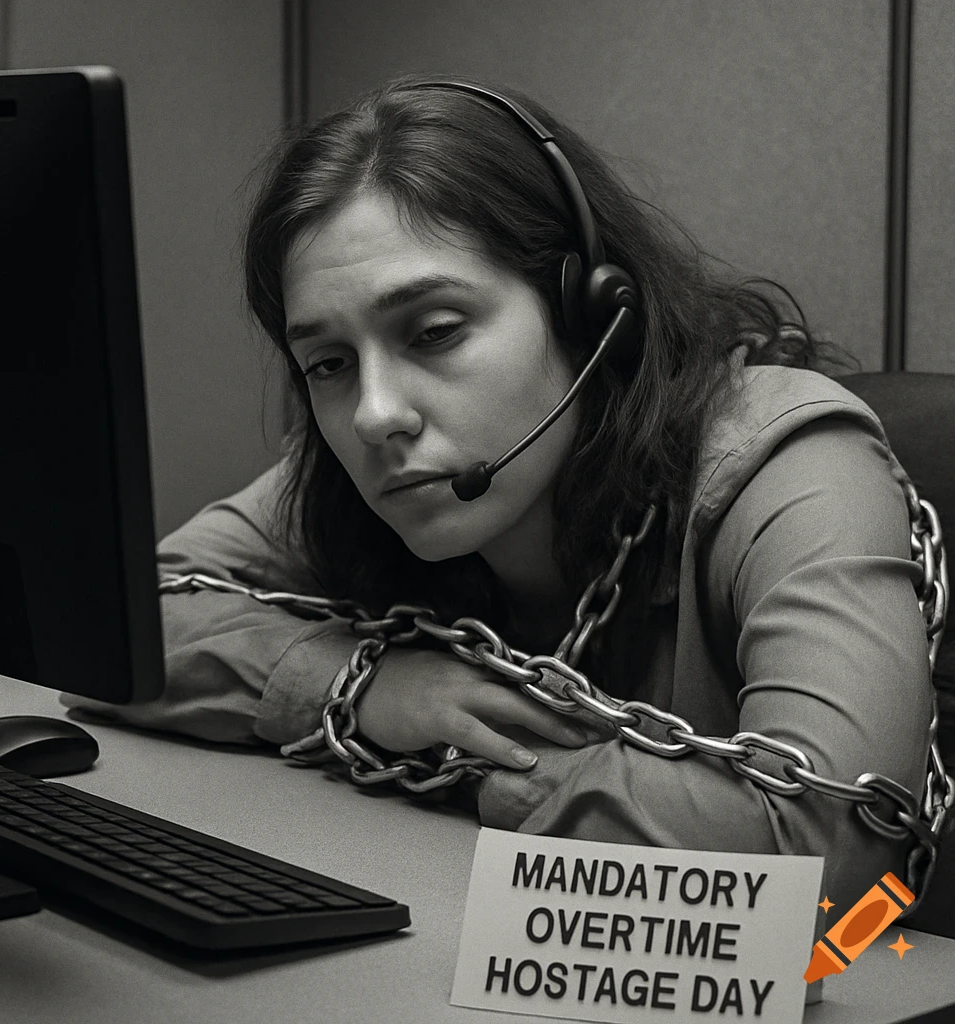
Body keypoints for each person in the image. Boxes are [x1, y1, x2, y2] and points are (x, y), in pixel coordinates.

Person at [61, 75, 945, 929]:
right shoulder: (352, 468)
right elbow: (112, 625)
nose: (374, 413)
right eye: (327, 363)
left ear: (592, 313)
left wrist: (509, 776)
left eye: (435, 332)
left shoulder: (789, 457)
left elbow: (838, 836)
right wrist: (363, 686)